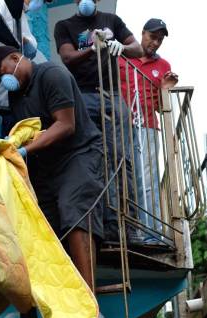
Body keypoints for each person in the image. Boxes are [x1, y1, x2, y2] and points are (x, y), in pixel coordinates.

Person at [0, 46, 106, 318]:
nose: (4, 79)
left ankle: (91, 305)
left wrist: (24, 151)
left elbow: (65, 125)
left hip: (79, 153)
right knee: (39, 226)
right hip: (47, 166)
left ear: (16, 58)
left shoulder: (52, 74)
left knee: (73, 209)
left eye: (3, 71)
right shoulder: (15, 97)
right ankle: (61, 306)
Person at [54, 0, 145, 244]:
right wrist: (94, 48)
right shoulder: (65, 25)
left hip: (113, 96)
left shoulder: (111, 21)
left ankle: (128, 225)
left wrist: (119, 47)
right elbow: (67, 57)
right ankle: (102, 225)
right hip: (82, 97)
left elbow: (138, 48)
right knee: (92, 160)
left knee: (122, 158)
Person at [118, 18, 178, 238]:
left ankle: (152, 233)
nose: (155, 43)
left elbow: (163, 109)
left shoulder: (164, 66)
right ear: (142, 34)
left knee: (148, 180)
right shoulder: (122, 57)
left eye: (160, 40)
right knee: (125, 179)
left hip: (149, 127)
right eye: (152, 37)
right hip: (123, 127)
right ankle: (128, 230)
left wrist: (165, 89)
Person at [0, 0, 48, 108]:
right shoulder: (1, 3)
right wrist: (16, 40)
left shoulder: (21, 12)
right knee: (11, 108)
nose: (39, 2)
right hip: (7, 65)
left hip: (23, 62)